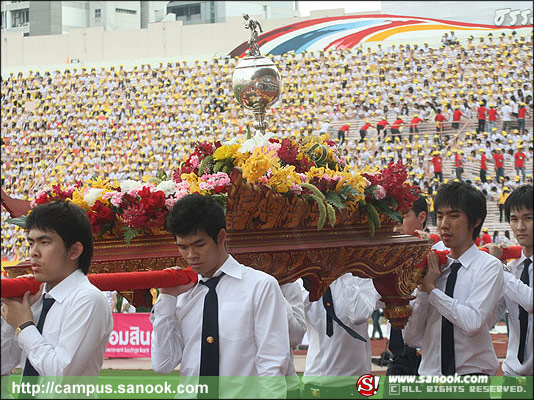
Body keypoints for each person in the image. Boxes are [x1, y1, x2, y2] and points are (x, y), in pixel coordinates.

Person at [150, 194, 291, 397]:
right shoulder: (181, 293)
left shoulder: (260, 287)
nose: (191, 255)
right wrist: (167, 298)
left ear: (221, 237)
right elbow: (162, 364)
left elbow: (272, 364)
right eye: (183, 247)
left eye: (199, 245)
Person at [1, 201, 113, 376]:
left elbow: (62, 375)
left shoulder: (88, 299)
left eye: (44, 242)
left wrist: (24, 326)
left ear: (74, 251)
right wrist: (12, 320)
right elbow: (3, 365)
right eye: (31, 243)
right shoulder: (37, 298)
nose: (33, 253)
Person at [403, 181, 504, 375]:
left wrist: (432, 290)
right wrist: (423, 291)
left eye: (454, 216)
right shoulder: (432, 261)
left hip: (472, 377)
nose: (444, 224)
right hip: (431, 377)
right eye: (440, 216)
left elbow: (473, 322)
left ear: (475, 221)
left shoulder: (489, 266)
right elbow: (412, 337)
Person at [301, 273, 379, 398]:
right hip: (317, 382)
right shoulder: (305, 279)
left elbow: (359, 315)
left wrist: (345, 274)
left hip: (356, 382)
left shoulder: (362, 277)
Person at [491, 185, 533, 377]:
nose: (520, 227)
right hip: (512, 374)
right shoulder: (513, 268)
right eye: (514, 219)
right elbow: (490, 318)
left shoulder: (507, 272)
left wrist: (501, 269)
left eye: (528, 218)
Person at [387, 196, 428, 375]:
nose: (396, 224)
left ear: (422, 218)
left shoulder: (441, 255)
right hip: (398, 358)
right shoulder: (389, 258)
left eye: (403, 216)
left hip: (428, 359)